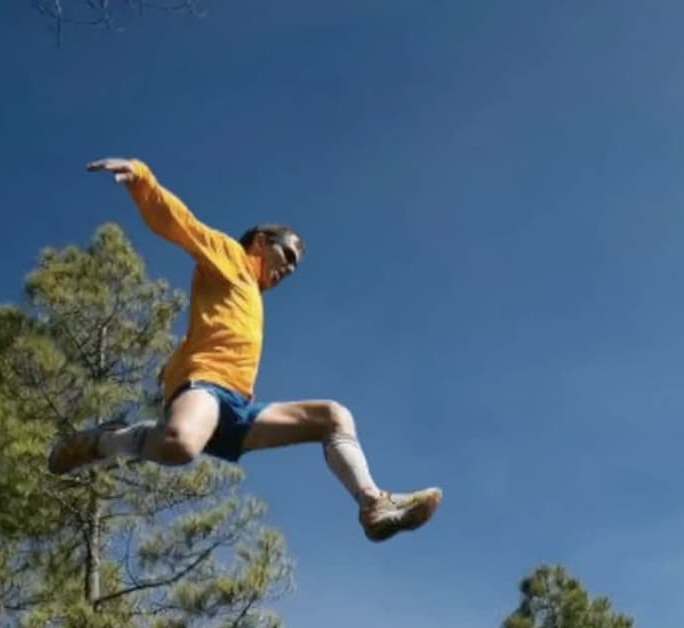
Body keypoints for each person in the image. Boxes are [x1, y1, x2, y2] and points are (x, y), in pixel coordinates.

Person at [47, 157, 442, 542]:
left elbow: (215, 329)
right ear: (260, 242)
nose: (288, 270)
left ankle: (373, 504)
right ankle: (105, 441)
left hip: (237, 406)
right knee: (179, 445)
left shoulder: (250, 292)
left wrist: (176, 362)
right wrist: (142, 179)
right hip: (205, 387)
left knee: (333, 417)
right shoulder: (230, 256)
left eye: (294, 268)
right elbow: (181, 225)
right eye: (287, 256)